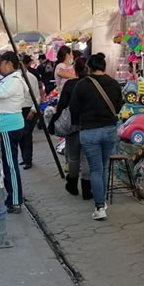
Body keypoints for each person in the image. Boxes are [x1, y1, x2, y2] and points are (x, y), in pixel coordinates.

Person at [70, 52, 123, 221]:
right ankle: (103, 200)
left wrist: (79, 121)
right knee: (104, 166)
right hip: (109, 130)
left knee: (95, 168)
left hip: (90, 131)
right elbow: (119, 105)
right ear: (104, 66)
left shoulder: (82, 85)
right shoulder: (114, 84)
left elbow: (73, 108)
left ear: (89, 68)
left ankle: (99, 206)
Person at [49, 57, 91, 199]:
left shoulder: (70, 84)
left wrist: (55, 118)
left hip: (72, 124)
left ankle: (72, 184)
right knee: (86, 158)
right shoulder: (93, 84)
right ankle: (87, 189)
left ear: (75, 70)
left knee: (73, 157)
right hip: (89, 124)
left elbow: (62, 105)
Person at [0, 52, 27, 212]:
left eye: (0, 63)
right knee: (8, 164)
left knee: (10, 165)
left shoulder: (14, 80)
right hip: (7, 126)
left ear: (9, 63)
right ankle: (13, 198)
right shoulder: (9, 79)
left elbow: (0, 93)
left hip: (9, 126)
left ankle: (15, 200)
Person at [19, 56, 41, 169]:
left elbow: (37, 96)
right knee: (21, 136)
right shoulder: (16, 77)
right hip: (18, 109)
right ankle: (24, 158)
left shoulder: (32, 78)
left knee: (27, 135)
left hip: (29, 109)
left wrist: (33, 110)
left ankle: (28, 160)